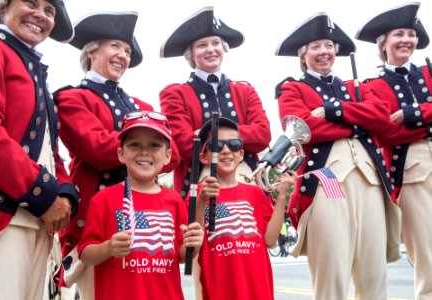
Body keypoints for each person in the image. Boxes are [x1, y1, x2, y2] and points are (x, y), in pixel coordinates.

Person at [52, 12, 180, 298]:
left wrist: (136, 151)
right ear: (91, 50)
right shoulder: (71, 97)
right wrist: (149, 149)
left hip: (147, 213)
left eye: (127, 50)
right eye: (115, 46)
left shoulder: (143, 104)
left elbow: (175, 155)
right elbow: (94, 148)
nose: (123, 54)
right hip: (98, 215)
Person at [275, 12, 401, 299]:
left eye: (329, 46)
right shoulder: (292, 88)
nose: (324, 52)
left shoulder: (356, 88)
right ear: (302, 54)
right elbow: (303, 128)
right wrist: (359, 123)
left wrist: (336, 111)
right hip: (327, 181)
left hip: (370, 180)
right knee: (332, 271)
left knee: (373, 273)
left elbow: (382, 117)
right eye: (316, 46)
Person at [0, 0, 78, 299]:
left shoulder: (35, 71)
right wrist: (46, 194)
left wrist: (64, 193)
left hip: (38, 222)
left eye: (49, 11)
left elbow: (49, 148)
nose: (41, 15)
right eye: (31, 3)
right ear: (2, 9)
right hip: (1, 218)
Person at [78, 111, 204, 300]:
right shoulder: (103, 199)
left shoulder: (175, 201)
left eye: (154, 145)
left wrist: (194, 244)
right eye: (134, 144)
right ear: (121, 153)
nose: (144, 151)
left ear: (168, 155)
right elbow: (85, 253)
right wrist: (108, 248)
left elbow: (181, 255)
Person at [356, 3, 432, 299]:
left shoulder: (428, 71)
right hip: (412, 170)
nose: (406, 40)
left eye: (411, 34)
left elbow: (400, 122)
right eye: (398, 34)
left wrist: (413, 114)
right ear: (382, 43)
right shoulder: (372, 86)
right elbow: (386, 132)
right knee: (427, 253)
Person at [159, 6, 271, 198]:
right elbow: (184, 146)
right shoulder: (174, 94)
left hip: (247, 177)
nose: (211, 50)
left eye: (215, 43)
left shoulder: (245, 91)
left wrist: (206, 135)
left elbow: (263, 135)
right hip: (200, 181)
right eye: (202, 45)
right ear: (190, 54)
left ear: (223, 48)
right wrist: (239, 136)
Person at [195, 117, 296, 300]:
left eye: (233, 144)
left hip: (258, 290)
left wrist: (281, 197)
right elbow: (193, 246)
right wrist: (201, 201)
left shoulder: (255, 193)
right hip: (220, 291)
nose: (226, 150)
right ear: (203, 156)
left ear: (241, 154)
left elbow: (269, 240)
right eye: (216, 146)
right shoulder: (198, 194)